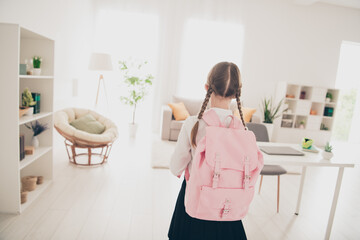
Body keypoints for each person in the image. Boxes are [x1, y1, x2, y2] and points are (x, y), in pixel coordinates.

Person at [168, 62, 248, 240]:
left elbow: (176, 167)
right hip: (228, 205)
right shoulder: (242, 128)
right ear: (236, 94)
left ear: (207, 88)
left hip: (195, 203)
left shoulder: (193, 124)